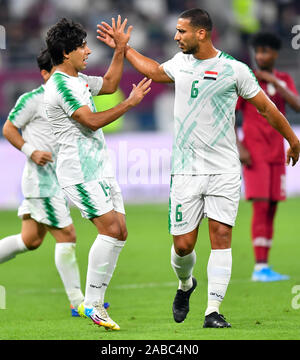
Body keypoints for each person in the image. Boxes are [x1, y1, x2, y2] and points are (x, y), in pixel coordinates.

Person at [97, 8, 300, 328]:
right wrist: (124, 48)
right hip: (186, 170)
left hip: (224, 169)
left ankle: (213, 311)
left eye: (182, 31)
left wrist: (292, 138)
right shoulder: (180, 64)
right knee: (183, 246)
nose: (176, 37)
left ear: (201, 33)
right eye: (176, 31)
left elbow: (266, 107)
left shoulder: (234, 70)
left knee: (221, 235)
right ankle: (185, 284)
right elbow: (153, 69)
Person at [44, 17, 151, 331]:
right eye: (82, 47)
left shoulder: (77, 79)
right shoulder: (61, 85)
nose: (88, 52)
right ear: (66, 53)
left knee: (119, 230)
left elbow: (109, 85)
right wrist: (130, 104)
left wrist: (120, 49)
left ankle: (94, 302)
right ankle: (92, 304)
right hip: (78, 171)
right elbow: (90, 121)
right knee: (109, 229)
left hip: (99, 167)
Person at [0, 49, 85, 316]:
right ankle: (78, 303)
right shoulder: (33, 99)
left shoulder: (68, 98)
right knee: (67, 235)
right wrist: (31, 151)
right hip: (41, 181)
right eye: (56, 71)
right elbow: (9, 128)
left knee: (31, 239)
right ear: (45, 74)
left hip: (57, 179)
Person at [236, 32, 300, 282]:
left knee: (272, 207)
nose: (261, 56)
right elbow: (231, 115)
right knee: (261, 206)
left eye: (266, 51)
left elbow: (296, 105)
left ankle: (265, 265)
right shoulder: (246, 81)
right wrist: (239, 146)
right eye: (258, 51)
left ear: (275, 54)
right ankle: (259, 266)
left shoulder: (282, 79)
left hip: (278, 153)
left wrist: (273, 80)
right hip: (255, 153)